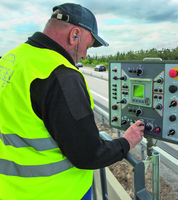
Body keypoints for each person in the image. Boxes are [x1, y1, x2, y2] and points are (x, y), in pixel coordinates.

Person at [0, 3, 144, 200]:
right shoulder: (61, 74)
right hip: (54, 191)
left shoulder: (11, 58)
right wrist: (126, 142)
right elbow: (88, 153)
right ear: (74, 35)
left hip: (9, 189)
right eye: (87, 46)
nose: (85, 55)